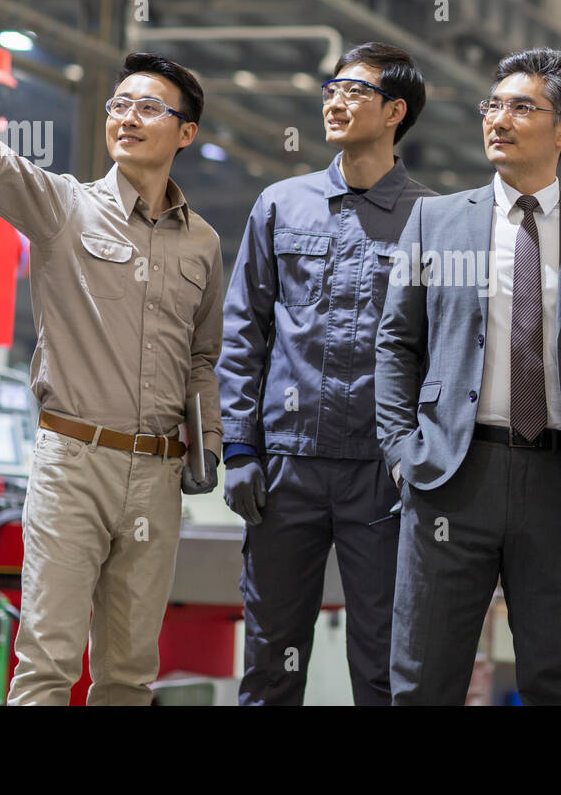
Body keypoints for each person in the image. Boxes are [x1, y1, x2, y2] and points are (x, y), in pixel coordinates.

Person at [0, 10, 224, 705]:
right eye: (120, 105)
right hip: (73, 464)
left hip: (157, 476)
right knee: (48, 665)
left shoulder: (201, 244)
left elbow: (202, 356)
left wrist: (206, 441)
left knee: (128, 675)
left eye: (149, 107)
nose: (127, 117)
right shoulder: (63, 208)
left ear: (186, 132)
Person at [376, 47, 561, 705]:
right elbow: (396, 343)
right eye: (493, 106)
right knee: (422, 680)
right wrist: (400, 450)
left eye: (521, 107)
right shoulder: (436, 222)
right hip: (450, 475)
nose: (499, 119)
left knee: (555, 682)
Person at [216, 42, 434, 705]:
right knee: (270, 659)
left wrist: (425, 458)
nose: (335, 102)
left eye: (355, 91)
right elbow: (242, 331)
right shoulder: (281, 205)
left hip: (383, 474)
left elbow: (452, 352)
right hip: (285, 469)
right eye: (330, 89)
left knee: (384, 663)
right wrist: (238, 446)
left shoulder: (435, 220)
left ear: (395, 111)